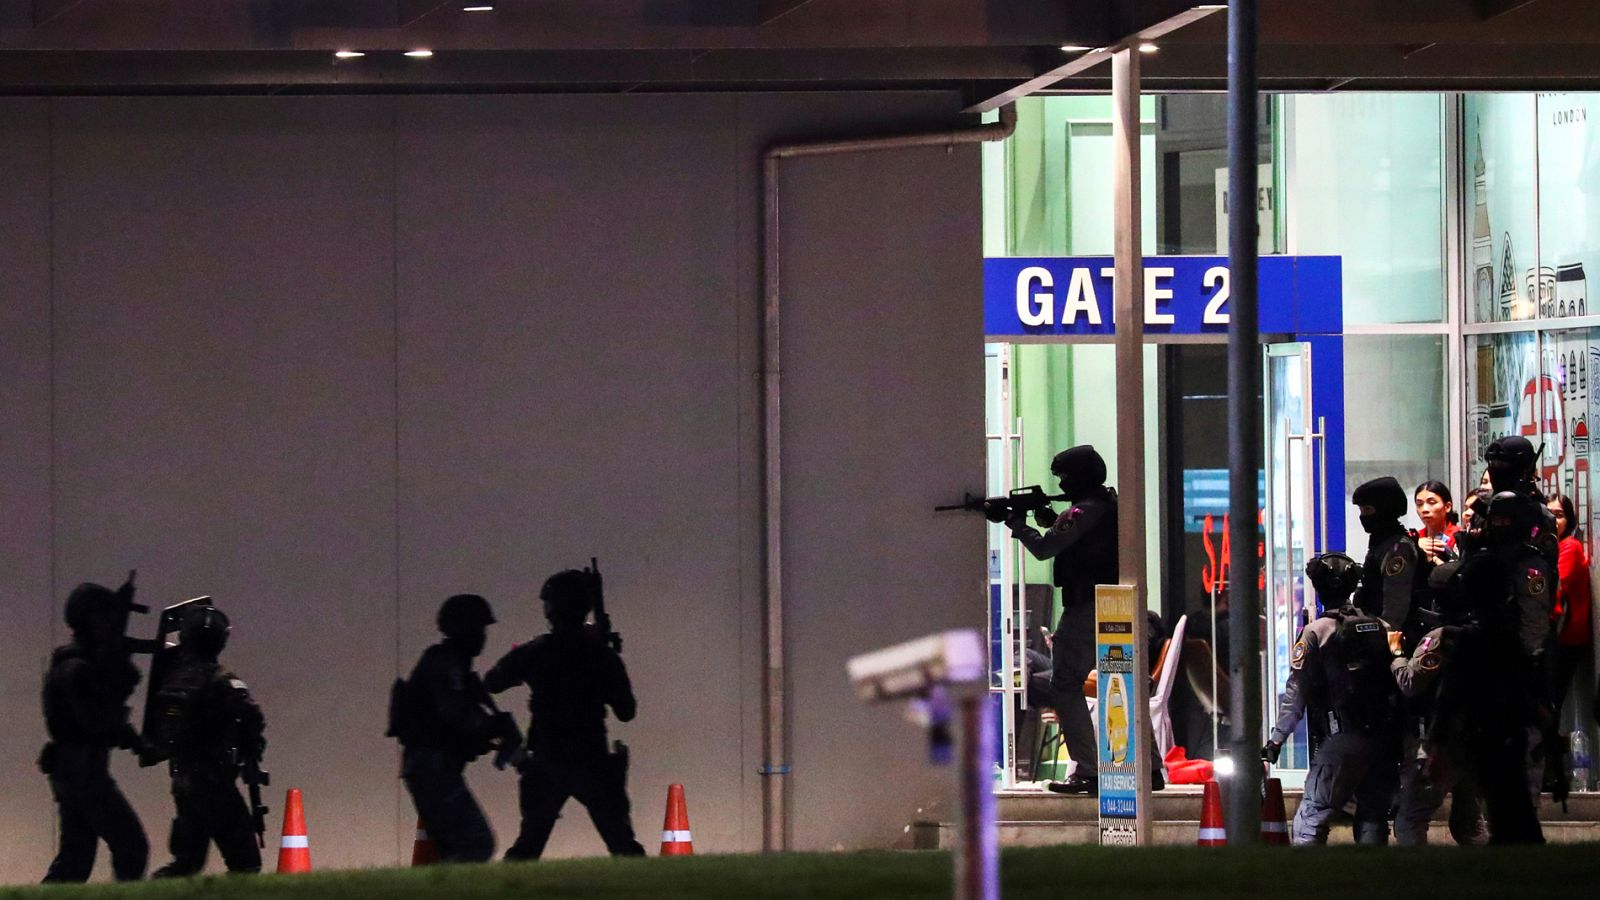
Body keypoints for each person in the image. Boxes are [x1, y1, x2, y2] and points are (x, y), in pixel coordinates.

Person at [1397, 491, 1555, 844]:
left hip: (1487, 730)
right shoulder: (1483, 629)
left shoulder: (1475, 637)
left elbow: (1451, 691)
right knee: (1496, 809)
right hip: (1488, 730)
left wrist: (1436, 741)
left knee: (1502, 806)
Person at [1003, 445, 1162, 795]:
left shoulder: (1085, 510)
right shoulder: (1104, 505)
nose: (1061, 483)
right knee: (1122, 684)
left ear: (1079, 477)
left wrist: (1018, 525)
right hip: (1110, 604)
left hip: (1087, 606)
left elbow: (1045, 548)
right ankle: (1150, 769)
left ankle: (1089, 770)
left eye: (1064, 477)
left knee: (1065, 685)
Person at [485, 570, 645, 860]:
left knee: (527, 848)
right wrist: (604, 652)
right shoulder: (601, 655)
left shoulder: (536, 651)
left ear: (550, 609)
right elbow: (626, 711)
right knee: (623, 846)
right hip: (592, 758)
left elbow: (493, 681)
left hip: (548, 759)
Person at [1261, 552, 1400, 845]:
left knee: (1311, 817)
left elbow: (1296, 694)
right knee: (1373, 817)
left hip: (1341, 738)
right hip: (1383, 738)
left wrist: (1276, 740)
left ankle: (1311, 885)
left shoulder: (1315, 632)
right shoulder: (1378, 626)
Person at [391, 594, 521, 863]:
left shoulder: (454, 666)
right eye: (478, 629)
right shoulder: (446, 664)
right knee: (476, 843)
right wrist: (490, 727)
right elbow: (455, 714)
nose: (482, 637)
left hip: (432, 765)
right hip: (432, 765)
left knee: (449, 850)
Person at [39, 579, 151, 883]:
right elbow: (98, 722)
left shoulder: (72, 665)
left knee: (74, 861)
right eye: (104, 617)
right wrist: (118, 685)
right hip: (84, 771)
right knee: (131, 847)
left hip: (73, 770)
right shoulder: (78, 669)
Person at [148, 605, 267, 877]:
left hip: (183, 780)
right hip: (215, 782)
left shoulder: (173, 678)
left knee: (186, 863)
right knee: (246, 864)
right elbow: (252, 717)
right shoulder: (223, 681)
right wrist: (252, 746)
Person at [1351, 476, 1432, 652]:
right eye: (1361, 510)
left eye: (1368, 510)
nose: (1363, 516)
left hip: (1396, 644)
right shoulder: (1382, 543)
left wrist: (1376, 643)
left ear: (1384, 510)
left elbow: (1395, 609)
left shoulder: (1397, 548)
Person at [1547, 493, 1596, 769]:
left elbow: (1558, 584)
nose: (1553, 520)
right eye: (1549, 513)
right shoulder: (1547, 547)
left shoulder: (1569, 547)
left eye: (1558, 514)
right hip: (1555, 635)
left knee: (1551, 700)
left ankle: (1552, 768)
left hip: (1564, 637)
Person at [1413, 480, 1459, 564]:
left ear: (1447, 507)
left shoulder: (1459, 536)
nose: (1424, 509)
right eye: (1419, 504)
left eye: (1432, 502)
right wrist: (1414, 546)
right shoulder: (1414, 538)